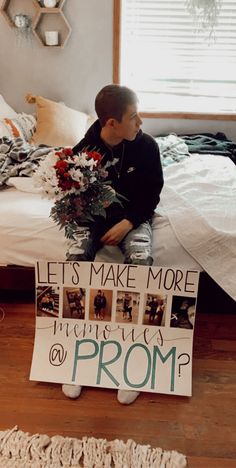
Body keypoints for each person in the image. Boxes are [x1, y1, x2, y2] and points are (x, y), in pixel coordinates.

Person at [63, 84, 164, 405]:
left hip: (133, 218)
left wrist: (129, 222)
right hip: (92, 220)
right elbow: (73, 198)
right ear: (111, 124)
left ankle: (132, 361)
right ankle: (74, 357)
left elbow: (151, 195)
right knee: (74, 261)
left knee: (140, 261)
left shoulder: (146, 147)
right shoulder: (81, 152)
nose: (141, 122)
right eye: (133, 117)